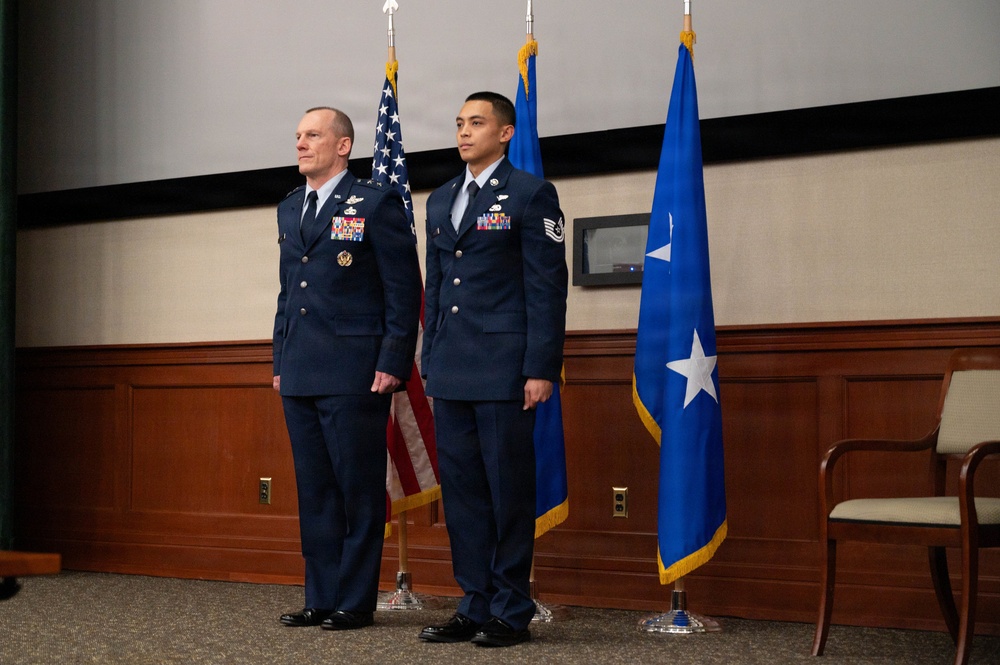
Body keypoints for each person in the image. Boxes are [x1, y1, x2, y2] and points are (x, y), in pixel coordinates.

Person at [418, 92, 568, 647]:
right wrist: (429, 358)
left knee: (507, 492)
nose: (464, 132)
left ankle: (510, 608)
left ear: (505, 133)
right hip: (452, 369)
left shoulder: (531, 194)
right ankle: (473, 603)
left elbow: (546, 290)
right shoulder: (441, 200)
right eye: (459, 123)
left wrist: (540, 367)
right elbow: (436, 291)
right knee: (462, 495)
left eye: (476, 123)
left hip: (507, 370)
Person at [272, 106, 421, 631]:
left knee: (357, 488)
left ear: (342, 146)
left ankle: (354, 601)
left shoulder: (375, 203)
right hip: (301, 369)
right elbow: (289, 292)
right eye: (297, 136)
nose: (300, 144)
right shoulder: (290, 208)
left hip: (358, 370)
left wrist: (393, 362)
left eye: (312, 135)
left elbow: (403, 292)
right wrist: (279, 360)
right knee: (314, 490)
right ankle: (321, 596)